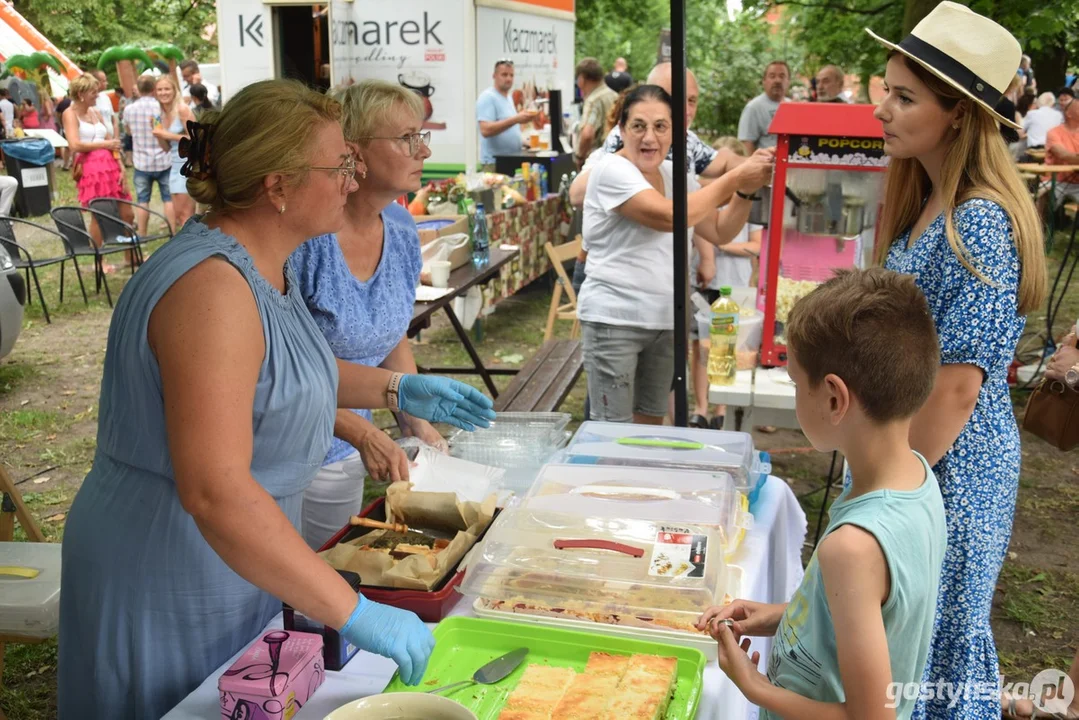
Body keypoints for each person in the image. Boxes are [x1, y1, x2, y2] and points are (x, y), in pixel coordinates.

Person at [57, 79, 496, 720]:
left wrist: (396, 386)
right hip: (168, 568)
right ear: (278, 187)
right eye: (338, 165)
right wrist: (354, 610)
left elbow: (279, 375)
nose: (352, 180)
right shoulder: (213, 288)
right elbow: (216, 492)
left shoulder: (269, 265)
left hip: (239, 557)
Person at [867, 3, 1048, 716]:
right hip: (920, 462)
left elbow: (956, 391)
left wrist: (885, 486)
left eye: (903, 96)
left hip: (951, 472)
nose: (881, 107)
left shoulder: (975, 218)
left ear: (958, 115)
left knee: (931, 654)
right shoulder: (925, 198)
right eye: (884, 88)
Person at [699, 268, 946, 719]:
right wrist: (777, 615)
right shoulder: (917, 477)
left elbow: (870, 716)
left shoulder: (852, 547)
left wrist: (754, 687)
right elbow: (877, 610)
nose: (794, 393)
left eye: (795, 382)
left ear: (834, 398)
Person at [292, 80, 448, 550]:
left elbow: (391, 332)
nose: (422, 149)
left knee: (325, 582)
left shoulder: (400, 227)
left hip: (342, 455)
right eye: (406, 138)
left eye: (422, 135)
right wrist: (361, 429)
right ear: (353, 153)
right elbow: (275, 367)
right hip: (280, 451)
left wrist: (416, 420)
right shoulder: (306, 238)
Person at [577, 84, 772, 425]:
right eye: (638, 126)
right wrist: (734, 177)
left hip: (666, 321)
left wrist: (745, 189)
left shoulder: (676, 174)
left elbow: (721, 230)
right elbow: (669, 216)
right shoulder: (610, 170)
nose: (649, 137)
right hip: (615, 320)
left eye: (660, 127)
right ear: (621, 130)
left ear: (675, 132)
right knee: (612, 432)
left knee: (650, 426)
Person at [688, 137, 763, 429]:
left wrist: (721, 246)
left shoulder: (750, 203)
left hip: (736, 285)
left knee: (728, 348)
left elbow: (755, 246)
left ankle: (721, 407)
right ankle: (701, 406)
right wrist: (724, 245)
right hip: (707, 283)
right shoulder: (703, 198)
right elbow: (696, 229)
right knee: (701, 346)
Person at [62, 73, 133, 253]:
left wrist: (122, 167)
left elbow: (112, 142)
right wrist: (104, 144)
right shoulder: (70, 114)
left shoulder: (95, 112)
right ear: (81, 95)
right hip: (92, 169)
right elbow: (74, 144)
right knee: (99, 215)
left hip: (110, 166)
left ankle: (130, 256)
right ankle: (99, 259)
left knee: (127, 213)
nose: (97, 95)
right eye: (93, 92)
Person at [123, 74, 176, 237]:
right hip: (163, 159)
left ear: (138, 89)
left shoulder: (129, 109)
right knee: (168, 198)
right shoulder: (159, 108)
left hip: (141, 161)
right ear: (154, 89)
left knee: (142, 199)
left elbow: (128, 132)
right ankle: (173, 233)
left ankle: (143, 234)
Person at [151, 74, 197, 229]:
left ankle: (191, 251)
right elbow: (166, 148)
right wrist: (158, 136)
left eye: (167, 89)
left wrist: (167, 134)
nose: (163, 92)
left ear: (174, 90)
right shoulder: (159, 115)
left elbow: (197, 138)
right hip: (174, 165)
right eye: (160, 89)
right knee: (179, 216)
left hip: (188, 165)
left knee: (186, 216)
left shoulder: (182, 110)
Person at [476, 59, 537, 166]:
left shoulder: (508, 97)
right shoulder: (488, 97)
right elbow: (485, 130)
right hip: (494, 163)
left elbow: (508, 130)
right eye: (504, 75)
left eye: (511, 75)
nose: (508, 79)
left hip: (510, 160)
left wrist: (524, 142)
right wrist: (516, 119)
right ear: (494, 76)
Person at [738, 61, 791, 153]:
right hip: (766, 165)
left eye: (782, 76)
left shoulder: (793, 107)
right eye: (772, 76)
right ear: (764, 81)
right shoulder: (753, 108)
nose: (777, 80)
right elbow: (746, 144)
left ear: (789, 81)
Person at [575, 57, 618, 168]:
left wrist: (580, 157)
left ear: (581, 79)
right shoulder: (614, 95)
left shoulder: (593, 100)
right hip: (615, 159)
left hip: (597, 163)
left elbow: (587, 134)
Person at [1042, 100, 1079, 210]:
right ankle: (1039, 225)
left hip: (1077, 182)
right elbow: (1063, 155)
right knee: (1044, 193)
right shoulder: (1054, 132)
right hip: (1056, 180)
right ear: (1068, 113)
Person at [996, 73, 1025, 147]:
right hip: (1000, 143)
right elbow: (1009, 132)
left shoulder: (990, 100)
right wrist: (1018, 135)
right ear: (1012, 87)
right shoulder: (1008, 105)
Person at [91, 70, 119, 141]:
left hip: (111, 140)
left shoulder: (105, 97)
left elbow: (113, 120)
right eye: (104, 81)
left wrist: (116, 137)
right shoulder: (89, 100)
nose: (107, 83)